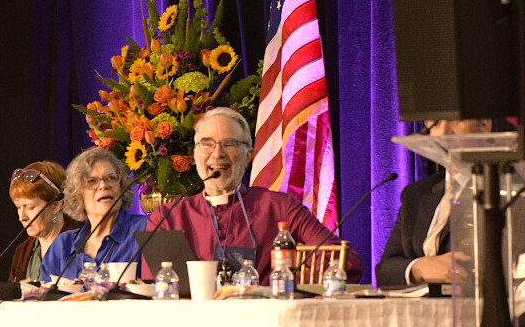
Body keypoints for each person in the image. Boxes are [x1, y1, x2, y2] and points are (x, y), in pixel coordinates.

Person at [148, 107, 364, 284]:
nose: (217, 154)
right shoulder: (167, 218)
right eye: (207, 144)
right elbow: (154, 290)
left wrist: (283, 284)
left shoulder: (280, 208)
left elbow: (344, 260)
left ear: (248, 156)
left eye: (230, 144)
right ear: (195, 154)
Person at [375, 118, 490, 288]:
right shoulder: (417, 194)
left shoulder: (503, 190)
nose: (443, 131)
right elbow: (385, 271)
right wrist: (419, 268)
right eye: (435, 123)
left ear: (484, 123)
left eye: (454, 119)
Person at [39, 148, 149, 282]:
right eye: (92, 181)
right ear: (78, 192)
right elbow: (46, 293)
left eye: (111, 178)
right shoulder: (62, 246)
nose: (103, 185)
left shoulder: (146, 229)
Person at [6, 161, 79, 282]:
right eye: (18, 207)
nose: (22, 217)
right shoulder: (22, 251)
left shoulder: (80, 245)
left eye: (30, 207)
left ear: (55, 206)